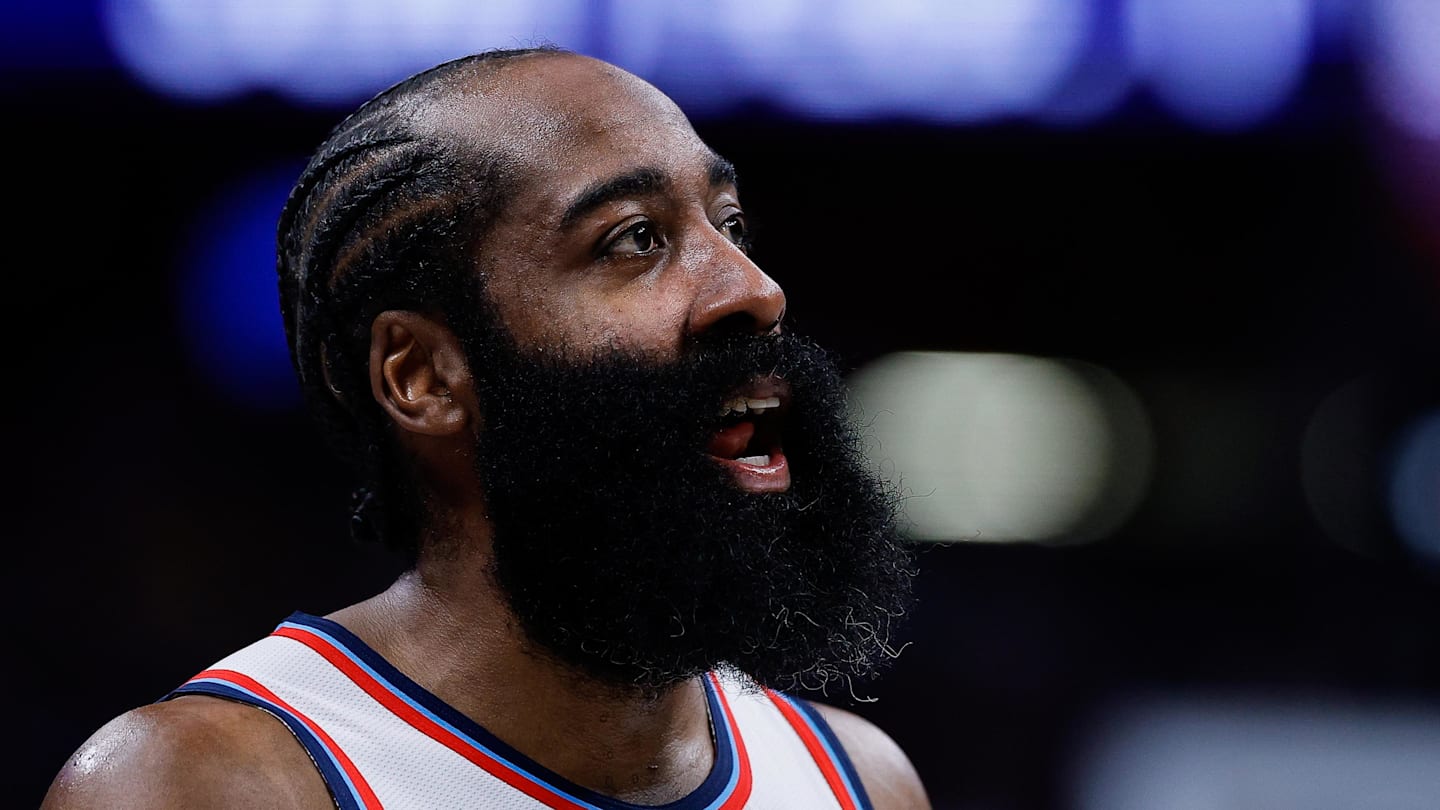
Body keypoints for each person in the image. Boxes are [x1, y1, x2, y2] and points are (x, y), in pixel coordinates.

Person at [43, 46, 929, 809]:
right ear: (423, 377)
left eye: (729, 224)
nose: (754, 290)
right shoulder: (212, 781)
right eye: (633, 239)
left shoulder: (862, 780)